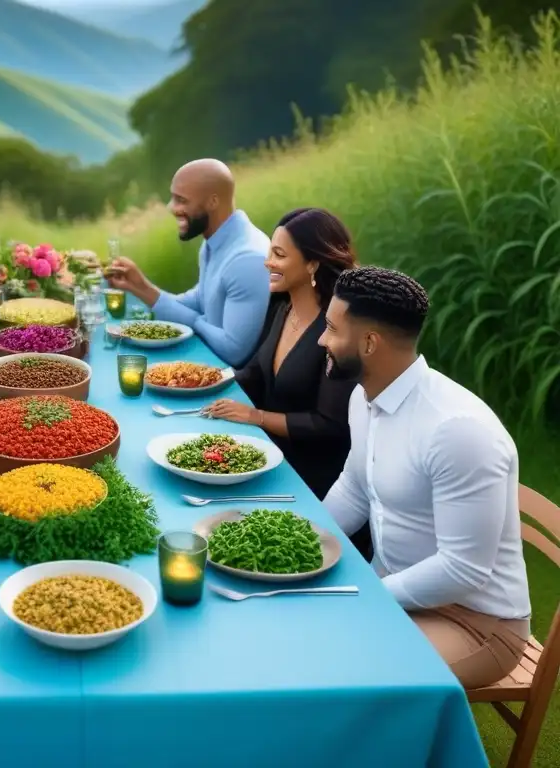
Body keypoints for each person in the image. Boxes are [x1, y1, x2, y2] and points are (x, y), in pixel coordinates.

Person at [320, 265, 531, 689]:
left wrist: (368, 593)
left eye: (330, 328)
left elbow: (463, 569)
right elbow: (355, 490)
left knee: (346, 678)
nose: (322, 339)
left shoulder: (457, 431)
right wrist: (301, 540)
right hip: (393, 588)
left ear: (369, 342)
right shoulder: (364, 399)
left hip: (478, 624)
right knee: (297, 633)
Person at [203, 208, 372, 557]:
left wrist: (257, 417)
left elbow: (330, 426)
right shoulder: (283, 308)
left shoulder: (337, 330)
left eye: (279, 255)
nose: (267, 262)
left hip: (313, 482)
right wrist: (205, 380)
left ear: (312, 264)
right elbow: (257, 372)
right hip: (272, 458)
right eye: (270, 251)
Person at [106, 158, 270, 366]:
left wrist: (194, 321)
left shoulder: (247, 260)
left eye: (181, 200)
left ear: (213, 202)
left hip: (236, 389)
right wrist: (139, 286)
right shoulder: (214, 243)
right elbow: (197, 302)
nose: (171, 207)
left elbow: (235, 351)